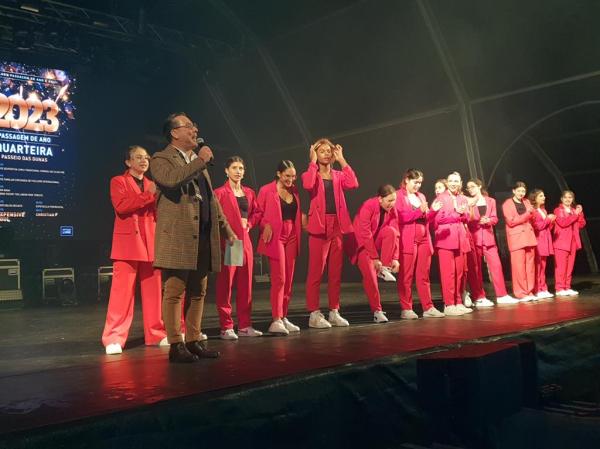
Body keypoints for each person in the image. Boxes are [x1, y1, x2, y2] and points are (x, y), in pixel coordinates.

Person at [151, 112, 236, 363]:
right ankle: (176, 344)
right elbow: (171, 181)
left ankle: (193, 339)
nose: (195, 130)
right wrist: (200, 160)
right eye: (189, 126)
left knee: (199, 290)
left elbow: (211, 200)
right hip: (178, 236)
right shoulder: (160, 159)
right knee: (175, 290)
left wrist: (227, 229)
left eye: (195, 126)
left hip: (203, 235)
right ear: (174, 132)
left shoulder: (197, 161)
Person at [102, 146, 167, 355]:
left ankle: (156, 333)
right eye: (138, 157)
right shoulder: (118, 181)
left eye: (146, 157)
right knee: (122, 294)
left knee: (154, 291)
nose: (144, 160)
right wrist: (148, 196)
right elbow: (122, 206)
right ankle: (114, 337)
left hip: (151, 242)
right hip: (128, 244)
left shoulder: (151, 184)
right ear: (128, 162)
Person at [302, 138, 358, 329]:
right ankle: (314, 313)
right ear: (315, 154)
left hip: (337, 225)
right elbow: (308, 185)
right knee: (316, 272)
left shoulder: (338, 175)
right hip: (319, 225)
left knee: (335, 272)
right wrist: (312, 162)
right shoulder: (310, 173)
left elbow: (353, 183)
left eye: (328, 151)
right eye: (322, 151)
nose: (326, 153)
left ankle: (334, 311)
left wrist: (342, 159)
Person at [214, 156, 263, 340]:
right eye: (234, 168)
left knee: (246, 285)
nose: (238, 171)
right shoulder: (219, 193)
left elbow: (257, 212)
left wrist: (249, 223)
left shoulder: (249, 192)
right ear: (226, 171)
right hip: (231, 242)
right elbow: (215, 217)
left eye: (241, 168)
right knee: (226, 285)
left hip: (246, 241)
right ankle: (226, 326)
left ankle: (244, 325)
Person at [256, 160, 302, 335]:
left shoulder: (294, 190)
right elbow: (257, 213)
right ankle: (276, 319)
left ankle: (283, 316)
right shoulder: (266, 190)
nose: (291, 179)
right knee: (279, 278)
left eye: (293, 176)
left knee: (288, 279)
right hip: (276, 237)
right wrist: (265, 225)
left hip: (292, 236)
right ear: (278, 174)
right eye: (287, 176)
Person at [395, 169, 445, 319]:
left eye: (420, 183)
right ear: (406, 180)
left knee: (423, 275)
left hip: (424, 239)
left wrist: (433, 211)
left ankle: (428, 307)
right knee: (406, 276)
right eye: (415, 182)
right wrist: (419, 211)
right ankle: (406, 308)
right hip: (408, 239)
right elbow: (400, 217)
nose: (418, 185)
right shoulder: (398, 195)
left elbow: (426, 217)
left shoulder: (421, 196)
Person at [350, 184, 400, 323]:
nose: (392, 203)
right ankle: (377, 311)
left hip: (375, 239)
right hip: (362, 243)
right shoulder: (368, 206)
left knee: (391, 232)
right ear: (380, 199)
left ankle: (384, 269)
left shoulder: (392, 209)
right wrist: (375, 257)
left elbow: (395, 232)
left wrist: (395, 258)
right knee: (371, 277)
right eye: (389, 200)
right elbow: (365, 233)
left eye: (394, 200)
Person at [465, 179, 517, 306]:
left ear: (479, 186)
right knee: (475, 269)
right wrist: (477, 219)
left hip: (488, 237)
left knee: (496, 266)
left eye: (472, 186)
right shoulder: (467, 201)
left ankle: (502, 295)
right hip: (475, 237)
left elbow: (495, 218)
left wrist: (488, 220)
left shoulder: (491, 201)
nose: (470, 189)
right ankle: (479, 296)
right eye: (468, 187)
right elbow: (466, 218)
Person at [433, 171, 473, 316]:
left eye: (456, 181)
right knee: (448, 274)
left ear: (460, 183)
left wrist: (463, 214)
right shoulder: (441, 198)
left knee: (460, 273)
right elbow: (438, 219)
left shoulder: (462, 198)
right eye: (451, 181)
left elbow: (467, 217)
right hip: (446, 239)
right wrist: (456, 214)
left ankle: (458, 302)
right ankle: (449, 304)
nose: (453, 183)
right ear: (447, 183)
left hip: (461, 238)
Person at [501, 181, 537, 301]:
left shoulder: (527, 202)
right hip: (516, 239)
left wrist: (532, 213)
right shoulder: (507, 204)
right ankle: (521, 293)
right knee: (518, 267)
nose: (521, 193)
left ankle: (529, 291)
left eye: (523, 191)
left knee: (530, 267)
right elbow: (511, 222)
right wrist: (528, 214)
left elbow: (532, 217)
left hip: (529, 237)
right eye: (519, 191)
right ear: (514, 191)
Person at [553, 190, 586, 296]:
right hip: (561, 241)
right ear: (562, 199)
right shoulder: (558, 210)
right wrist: (575, 214)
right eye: (566, 197)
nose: (568, 199)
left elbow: (581, 224)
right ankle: (559, 288)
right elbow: (563, 223)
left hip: (573, 241)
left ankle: (567, 287)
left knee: (569, 266)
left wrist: (580, 213)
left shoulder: (573, 210)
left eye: (570, 197)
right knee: (561, 267)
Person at [529, 189, 555, 299]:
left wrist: (551, 221)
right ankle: (538, 289)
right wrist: (548, 219)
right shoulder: (533, 211)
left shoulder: (543, 210)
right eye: (541, 196)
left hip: (546, 239)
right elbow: (537, 226)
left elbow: (546, 227)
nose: (544, 197)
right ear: (534, 198)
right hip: (538, 239)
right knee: (538, 265)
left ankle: (543, 288)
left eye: (543, 195)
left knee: (543, 266)